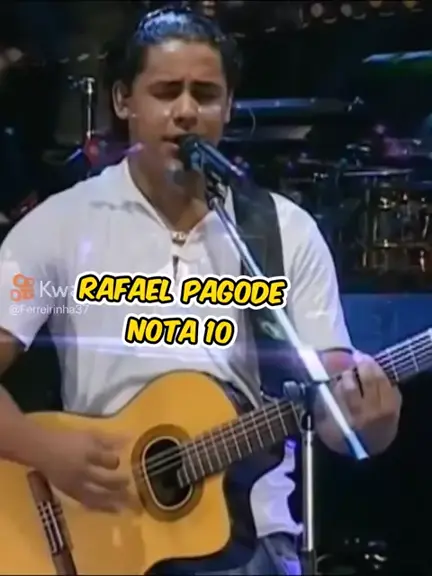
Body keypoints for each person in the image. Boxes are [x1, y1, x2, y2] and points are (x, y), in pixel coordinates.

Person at [0, 6, 402, 575]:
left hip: (252, 538)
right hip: (100, 534)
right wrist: (44, 450)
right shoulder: (61, 224)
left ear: (229, 106)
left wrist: (374, 420)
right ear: (124, 101)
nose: (186, 111)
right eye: (166, 92)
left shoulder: (283, 231)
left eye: (205, 95)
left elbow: (336, 406)